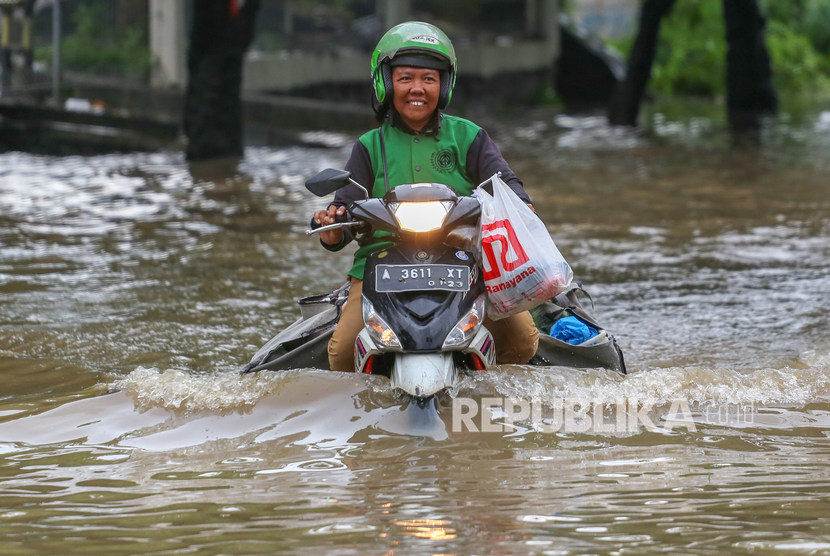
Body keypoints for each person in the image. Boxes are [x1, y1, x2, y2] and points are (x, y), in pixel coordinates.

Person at [312, 21, 539, 372]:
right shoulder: (370, 146)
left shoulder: (469, 136)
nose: (417, 88)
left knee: (522, 341)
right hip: (383, 264)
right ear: (386, 83)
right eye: (405, 78)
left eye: (428, 79)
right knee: (341, 357)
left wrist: (519, 203)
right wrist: (332, 226)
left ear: (443, 85)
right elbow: (344, 207)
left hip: (462, 261)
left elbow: (505, 181)